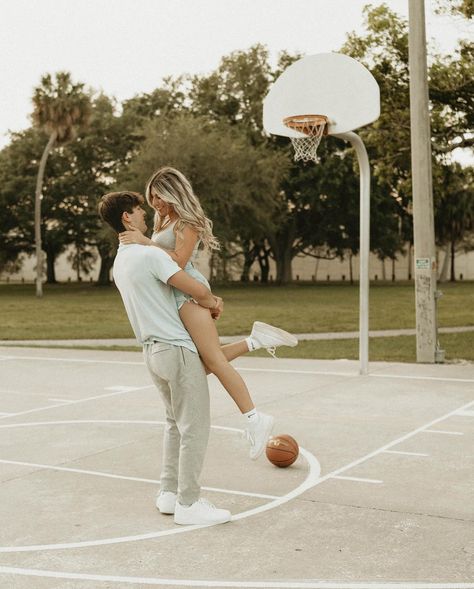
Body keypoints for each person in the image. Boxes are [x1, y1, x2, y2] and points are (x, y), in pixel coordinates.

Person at [118, 167, 298, 459]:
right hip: (174, 296)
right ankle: (255, 341)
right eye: (151, 197)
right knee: (195, 365)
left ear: (172, 192)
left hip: (188, 294)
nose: (155, 203)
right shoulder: (162, 220)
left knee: (211, 360)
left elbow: (178, 260)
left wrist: (146, 242)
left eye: (158, 196)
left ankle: (255, 419)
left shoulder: (187, 223)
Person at [99, 190, 231, 526]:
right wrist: (213, 301)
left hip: (151, 352)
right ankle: (189, 503)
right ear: (126, 218)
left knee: (174, 424)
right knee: (195, 427)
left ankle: (169, 494)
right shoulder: (148, 255)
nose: (145, 215)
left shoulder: (120, 262)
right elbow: (197, 290)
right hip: (174, 348)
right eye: (138, 210)